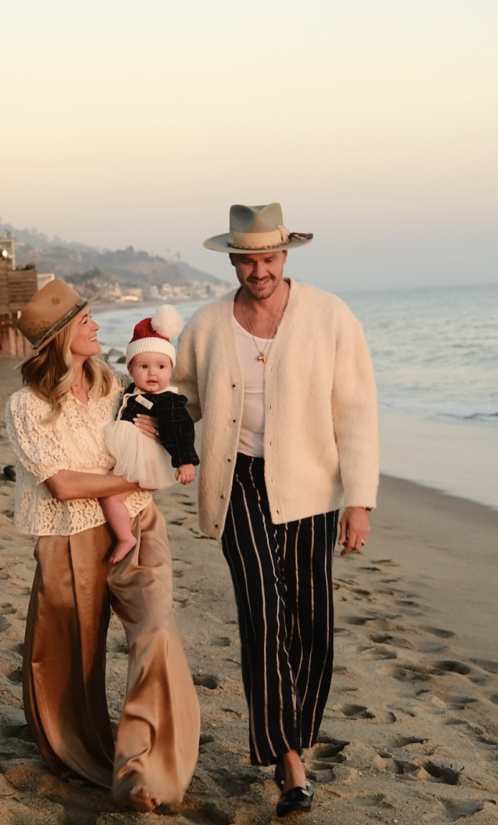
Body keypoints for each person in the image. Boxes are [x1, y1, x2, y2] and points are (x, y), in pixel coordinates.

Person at [173, 203, 379, 818]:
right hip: (236, 481)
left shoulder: (329, 315)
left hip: (311, 487)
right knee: (263, 610)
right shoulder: (209, 324)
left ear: (284, 257)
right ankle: (288, 759)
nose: (258, 270)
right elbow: (180, 396)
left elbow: (357, 411)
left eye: (268, 258)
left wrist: (359, 500)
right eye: (247, 259)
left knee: (310, 616)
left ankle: (297, 733)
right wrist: (136, 417)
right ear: (232, 259)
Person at [4, 279, 200, 810]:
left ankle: (147, 768)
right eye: (86, 320)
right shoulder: (24, 406)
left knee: (157, 629)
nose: (95, 326)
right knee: (73, 654)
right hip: (68, 535)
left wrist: (163, 446)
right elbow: (63, 485)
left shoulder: (115, 384)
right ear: (63, 335)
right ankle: (80, 751)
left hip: (139, 524)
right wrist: (133, 482)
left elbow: (155, 427)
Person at [100, 305, 199, 562]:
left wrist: (185, 461)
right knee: (110, 493)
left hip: (145, 460)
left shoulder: (168, 402)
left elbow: (180, 429)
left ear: (171, 370)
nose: (152, 372)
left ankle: (125, 538)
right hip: (130, 456)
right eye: (144, 366)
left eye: (161, 367)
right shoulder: (133, 390)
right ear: (131, 370)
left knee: (111, 498)